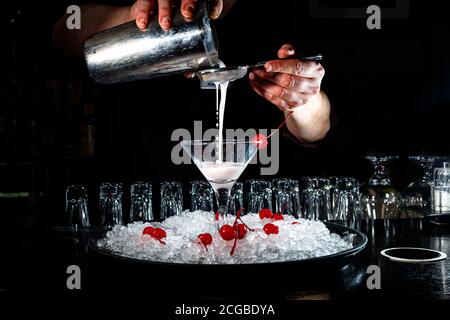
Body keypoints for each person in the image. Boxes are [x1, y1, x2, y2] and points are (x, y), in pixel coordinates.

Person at [53, 0, 331, 145]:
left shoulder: (281, 9)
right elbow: (62, 29)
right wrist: (134, 16)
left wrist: (300, 95)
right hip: (140, 195)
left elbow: (318, 129)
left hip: (255, 207)